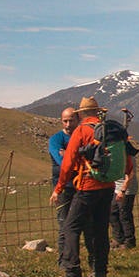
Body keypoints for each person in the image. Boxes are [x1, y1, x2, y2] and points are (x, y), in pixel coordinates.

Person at [50, 97, 132, 277]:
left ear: (81, 114)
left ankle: (73, 275)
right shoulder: (109, 130)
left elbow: (68, 163)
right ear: (97, 112)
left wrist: (59, 188)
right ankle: (100, 275)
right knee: (100, 230)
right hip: (108, 187)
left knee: (70, 227)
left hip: (87, 186)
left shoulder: (82, 131)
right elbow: (127, 163)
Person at [48, 107, 79, 265]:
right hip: (63, 188)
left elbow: (66, 160)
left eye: (71, 120)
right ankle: (64, 261)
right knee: (64, 225)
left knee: (84, 225)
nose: (68, 124)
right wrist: (78, 156)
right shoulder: (55, 139)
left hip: (81, 187)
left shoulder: (81, 136)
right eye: (65, 121)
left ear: (77, 120)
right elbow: (62, 163)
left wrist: (67, 154)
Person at [110, 141, 139, 249]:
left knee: (124, 214)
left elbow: (130, 175)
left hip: (127, 189)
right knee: (112, 212)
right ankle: (118, 238)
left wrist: (123, 191)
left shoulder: (128, 157)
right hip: (116, 187)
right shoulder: (118, 155)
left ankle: (129, 241)